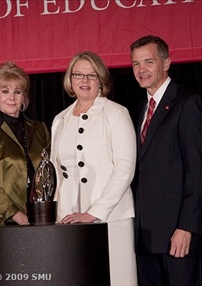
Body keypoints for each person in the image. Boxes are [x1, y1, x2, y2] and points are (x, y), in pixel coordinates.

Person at [130, 35, 202, 286]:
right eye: (135, 64)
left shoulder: (187, 104)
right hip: (145, 237)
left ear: (166, 63)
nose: (141, 70)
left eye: (148, 62)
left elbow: (199, 173)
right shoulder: (140, 110)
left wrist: (186, 227)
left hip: (177, 235)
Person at [50, 51, 137, 286]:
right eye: (78, 74)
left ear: (101, 80)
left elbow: (125, 168)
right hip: (68, 218)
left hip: (110, 217)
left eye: (92, 75)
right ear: (70, 80)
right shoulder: (60, 119)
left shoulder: (116, 113)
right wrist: (57, 214)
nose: (85, 81)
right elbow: (57, 174)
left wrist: (95, 212)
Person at [0, 61, 51, 226]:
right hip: (0, 219)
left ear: (24, 97)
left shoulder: (40, 129)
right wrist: (14, 213)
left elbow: (49, 174)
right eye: (5, 91)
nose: (12, 98)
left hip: (38, 217)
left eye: (17, 91)